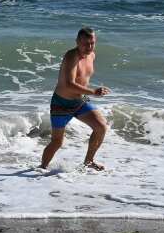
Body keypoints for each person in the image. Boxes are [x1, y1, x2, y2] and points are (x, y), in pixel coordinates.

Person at [40, 27, 111, 171]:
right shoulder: (71, 56)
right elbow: (69, 84)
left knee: (101, 127)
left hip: (80, 101)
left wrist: (90, 93)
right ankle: (42, 168)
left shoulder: (91, 55)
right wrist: (93, 92)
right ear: (77, 42)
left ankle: (89, 161)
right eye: (86, 43)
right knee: (57, 142)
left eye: (92, 43)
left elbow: (83, 77)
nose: (89, 47)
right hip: (61, 103)